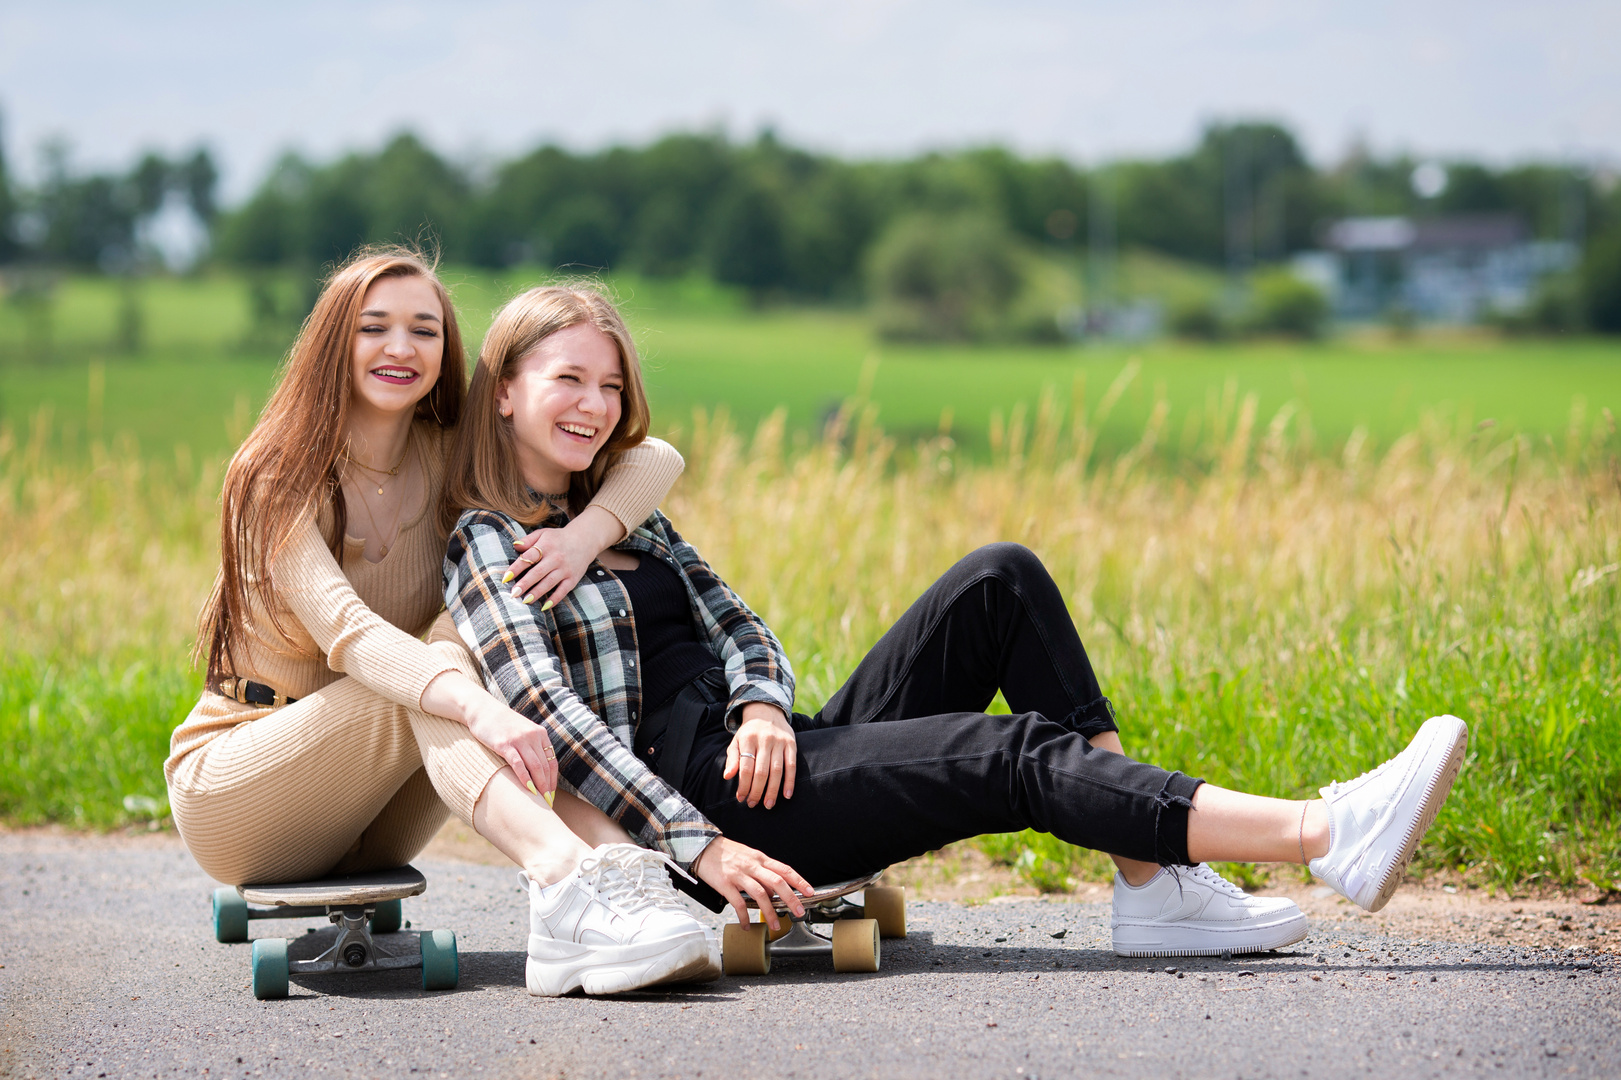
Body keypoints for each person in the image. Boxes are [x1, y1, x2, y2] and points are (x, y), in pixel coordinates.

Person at [441, 284, 1470, 960]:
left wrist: (760, 705)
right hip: (716, 824)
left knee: (999, 577)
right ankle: (1324, 833)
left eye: (609, 384)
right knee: (1005, 751)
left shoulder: (622, 511)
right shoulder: (486, 544)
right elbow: (558, 732)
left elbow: (741, 625)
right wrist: (697, 845)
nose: (593, 404)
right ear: (504, 393)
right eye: (567, 379)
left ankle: (1153, 883)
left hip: (764, 755)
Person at [166, 250, 722, 998]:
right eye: (375, 328)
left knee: (470, 650)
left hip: (379, 813)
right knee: (433, 681)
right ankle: (566, 880)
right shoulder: (274, 474)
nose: (402, 349)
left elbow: (654, 455)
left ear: (447, 352)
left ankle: (609, 877)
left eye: (424, 330)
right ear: (335, 342)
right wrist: (478, 705)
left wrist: (585, 534)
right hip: (243, 789)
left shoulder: (447, 454)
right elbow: (351, 635)